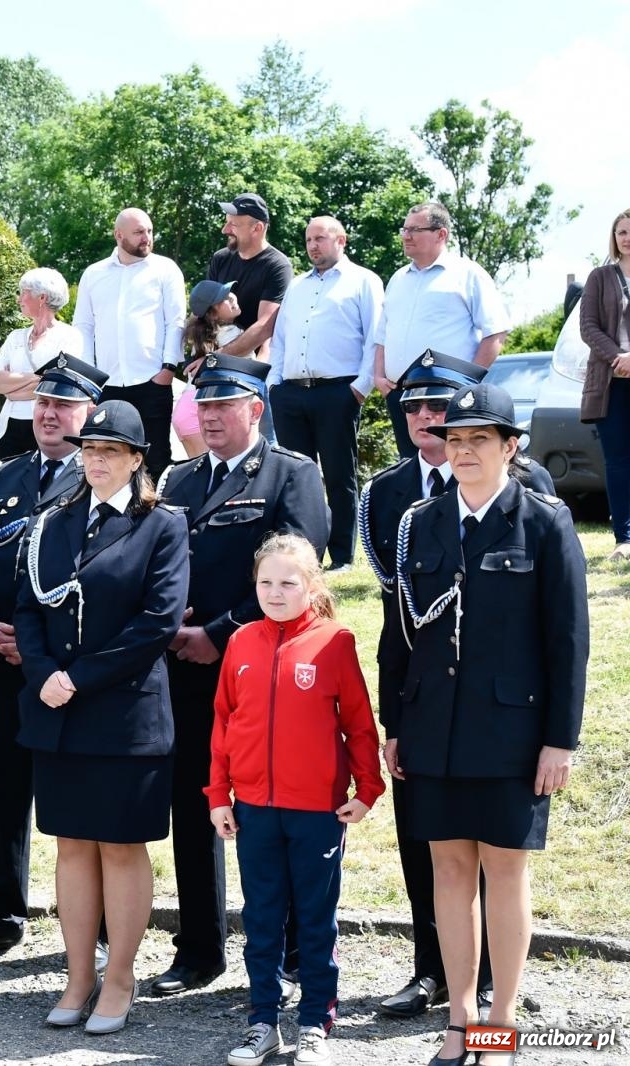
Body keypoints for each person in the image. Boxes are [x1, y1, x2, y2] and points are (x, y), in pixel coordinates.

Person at [382, 382, 587, 1066]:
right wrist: (395, 724)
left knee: (504, 875)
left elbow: (568, 642)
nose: (464, 450)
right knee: (446, 872)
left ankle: (499, 1025)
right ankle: (459, 1020)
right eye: (456, 439)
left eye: (480, 439)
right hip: (433, 729)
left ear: (510, 447)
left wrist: (561, 740)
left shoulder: (544, 522)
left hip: (513, 736)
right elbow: (400, 637)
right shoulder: (425, 521)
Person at [153, 353, 329, 996]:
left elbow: (298, 574)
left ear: (256, 409)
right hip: (184, 671)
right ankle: (200, 945)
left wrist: (218, 632)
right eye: (205, 405)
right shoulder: (177, 480)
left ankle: (283, 949)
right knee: (197, 805)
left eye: (225, 405)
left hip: (264, 672)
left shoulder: (291, 475)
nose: (213, 416)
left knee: (266, 809)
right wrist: (172, 624)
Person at [15, 399, 188, 1035]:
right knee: (71, 847)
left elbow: (159, 623)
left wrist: (76, 678)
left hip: (122, 713)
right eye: (89, 450)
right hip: (57, 710)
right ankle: (77, 974)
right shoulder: (53, 523)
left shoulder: (161, 525)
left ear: (137, 459)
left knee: (119, 846)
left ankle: (120, 977)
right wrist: (42, 676)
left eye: (110, 452)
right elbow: (29, 609)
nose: (95, 461)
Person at [207, 534, 384, 1066]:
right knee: (260, 917)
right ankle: (263, 1021)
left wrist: (367, 790)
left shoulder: (336, 641)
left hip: (317, 812)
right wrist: (219, 794)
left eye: (289, 582)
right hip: (255, 809)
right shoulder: (240, 643)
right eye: (266, 582)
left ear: (312, 587)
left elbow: (358, 724)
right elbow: (222, 723)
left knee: (314, 918)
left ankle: (315, 1022)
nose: (276, 592)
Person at [0, 355, 105, 963]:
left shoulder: (100, 478)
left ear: (89, 415)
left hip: (61, 667)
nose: (49, 415)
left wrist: (40, 648)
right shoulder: (3, 477)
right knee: (1, 791)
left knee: (80, 797)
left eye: (64, 406)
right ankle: (0, 910)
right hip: (3, 659)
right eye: (43, 404)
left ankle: (95, 926)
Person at [269, 216, 385, 572]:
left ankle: (343, 556)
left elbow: (375, 337)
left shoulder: (364, 281)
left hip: (338, 390)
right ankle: (303, 554)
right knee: (295, 478)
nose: (313, 246)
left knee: (338, 475)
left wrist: (360, 388)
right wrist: (274, 382)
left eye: (320, 238)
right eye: (308, 239)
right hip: (291, 392)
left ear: (341, 240)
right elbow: (281, 339)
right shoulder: (297, 286)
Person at [373, 201, 510, 458]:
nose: (406, 236)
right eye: (404, 229)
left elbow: (496, 333)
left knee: (452, 467)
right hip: (401, 395)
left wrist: (465, 385)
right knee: (411, 469)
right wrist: (379, 378)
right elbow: (382, 335)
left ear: (441, 234)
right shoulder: (398, 278)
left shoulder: (468, 274)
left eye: (415, 229)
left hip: (447, 397)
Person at [72, 208, 188, 479]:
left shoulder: (166, 269)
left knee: (157, 457)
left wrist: (168, 370)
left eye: (149, 231)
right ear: (118, 235)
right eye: (138, 232)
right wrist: (90, 381)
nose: (146, 237)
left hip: (152, 380)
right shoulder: (93, 274)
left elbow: (176, 322)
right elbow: (84, 328)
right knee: (109, 455)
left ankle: (158, 519)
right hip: (107, 385)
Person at [576, 208, 630, 561]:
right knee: (618, 460)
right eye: (621, 231)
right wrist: (619, 357)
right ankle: (624, 538)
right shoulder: (600, 276)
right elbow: (588, 327)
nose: (626, 237)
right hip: (612, 382)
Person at [0, 268, 85, 460]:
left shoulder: (69, 337)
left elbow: (60, 385)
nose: (19, 299)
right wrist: (38, 378)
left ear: (42, 297)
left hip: (48, 426)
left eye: (24, 292)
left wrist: (12, 390)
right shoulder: (15, 337)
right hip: (10, 427)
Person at [207, 193, 292, 360]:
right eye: (226, 222)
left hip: (250, 366)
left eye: (233, 224)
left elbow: (265, 328)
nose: (225, 230)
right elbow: (205, 313)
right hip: (214, 354)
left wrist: (215, 358)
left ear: (257, 228)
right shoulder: (220, 259)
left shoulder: (278, 266)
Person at [179, 279, 244, 459]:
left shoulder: (205, 337)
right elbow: (255, 367)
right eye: (223, 298)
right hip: (202, 407)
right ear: (213, 314)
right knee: (215, 474)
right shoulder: (233, 336)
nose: (231, 297)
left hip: (187, 407)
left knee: (202, 472)